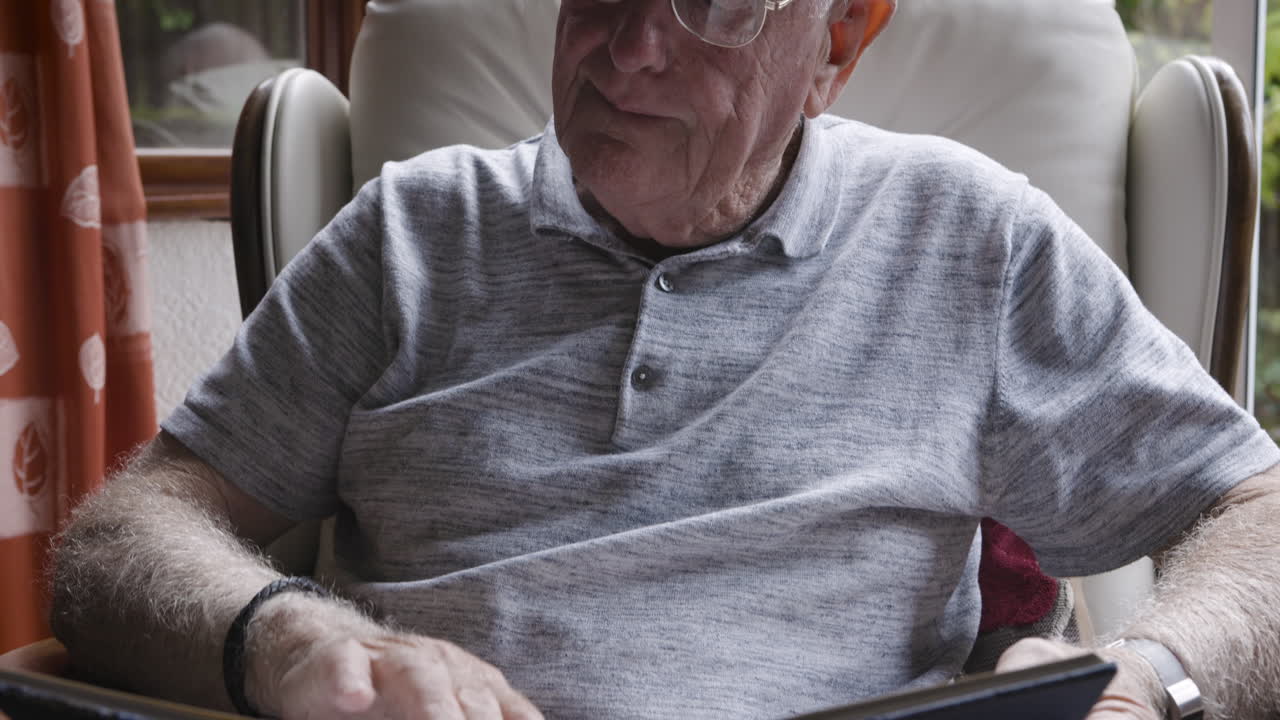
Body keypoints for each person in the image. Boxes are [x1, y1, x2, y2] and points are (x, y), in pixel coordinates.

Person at [41, 0, 1280, 718]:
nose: (631, 46)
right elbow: (124, 534)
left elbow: (1254, 511)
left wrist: (1145, 682)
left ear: (836, 46)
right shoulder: (412, 232)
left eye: (714, 4)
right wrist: (290, 643)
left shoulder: (966, 235)